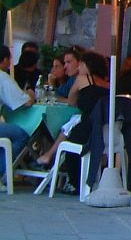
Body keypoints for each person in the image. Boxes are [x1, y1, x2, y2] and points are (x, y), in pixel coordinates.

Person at [36, 51, 110, 167]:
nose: (79, 68)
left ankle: (50, 156)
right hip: (105, 130)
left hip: (87, 130)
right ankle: (50, 156)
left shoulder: (82, 79)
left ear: (88, 66)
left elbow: (71, 101)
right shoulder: (107, 84)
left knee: (69, 128)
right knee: (73, 122)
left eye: (81, 65)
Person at [0, 45, 34, 177]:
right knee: (21, 134)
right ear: (4, 60)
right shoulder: (3, 78)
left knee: (7, 135)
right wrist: (30, 93)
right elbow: (26, 102)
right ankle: (2, 171)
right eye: (9, 59)